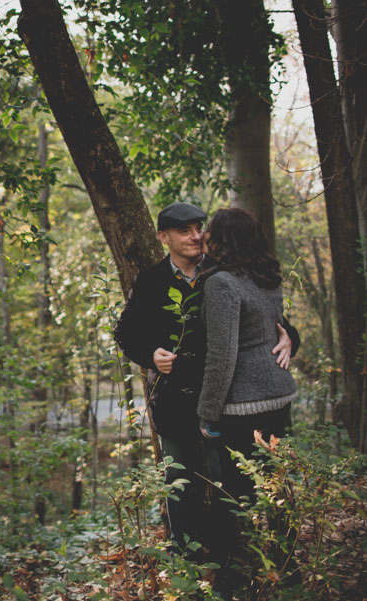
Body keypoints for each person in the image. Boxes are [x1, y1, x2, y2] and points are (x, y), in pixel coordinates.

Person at [114, 202, 297, 554]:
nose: (195, 236)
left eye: (199, 228)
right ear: (163, 237)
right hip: (175, 398)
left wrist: (291, 338)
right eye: (184, 231)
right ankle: (186, 560)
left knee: (229, 484)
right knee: (180, 481)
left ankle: (233, 559)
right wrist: (151, 354)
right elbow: (125, 332)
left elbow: (267, 320)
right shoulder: (150, 280)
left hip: (226, 400)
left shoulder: (225, 268)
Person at [196, 208, 298, 587]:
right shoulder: (267, 277)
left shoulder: (222, 283)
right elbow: (275, 331)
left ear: (222, 239)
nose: (204, 236)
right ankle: (287, 569)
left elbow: (223, 355)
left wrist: (208, 412)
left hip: (243, 406)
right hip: (279, 395)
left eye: (209, 231)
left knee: (235, 494)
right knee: (277, 485)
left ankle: (233, 579)